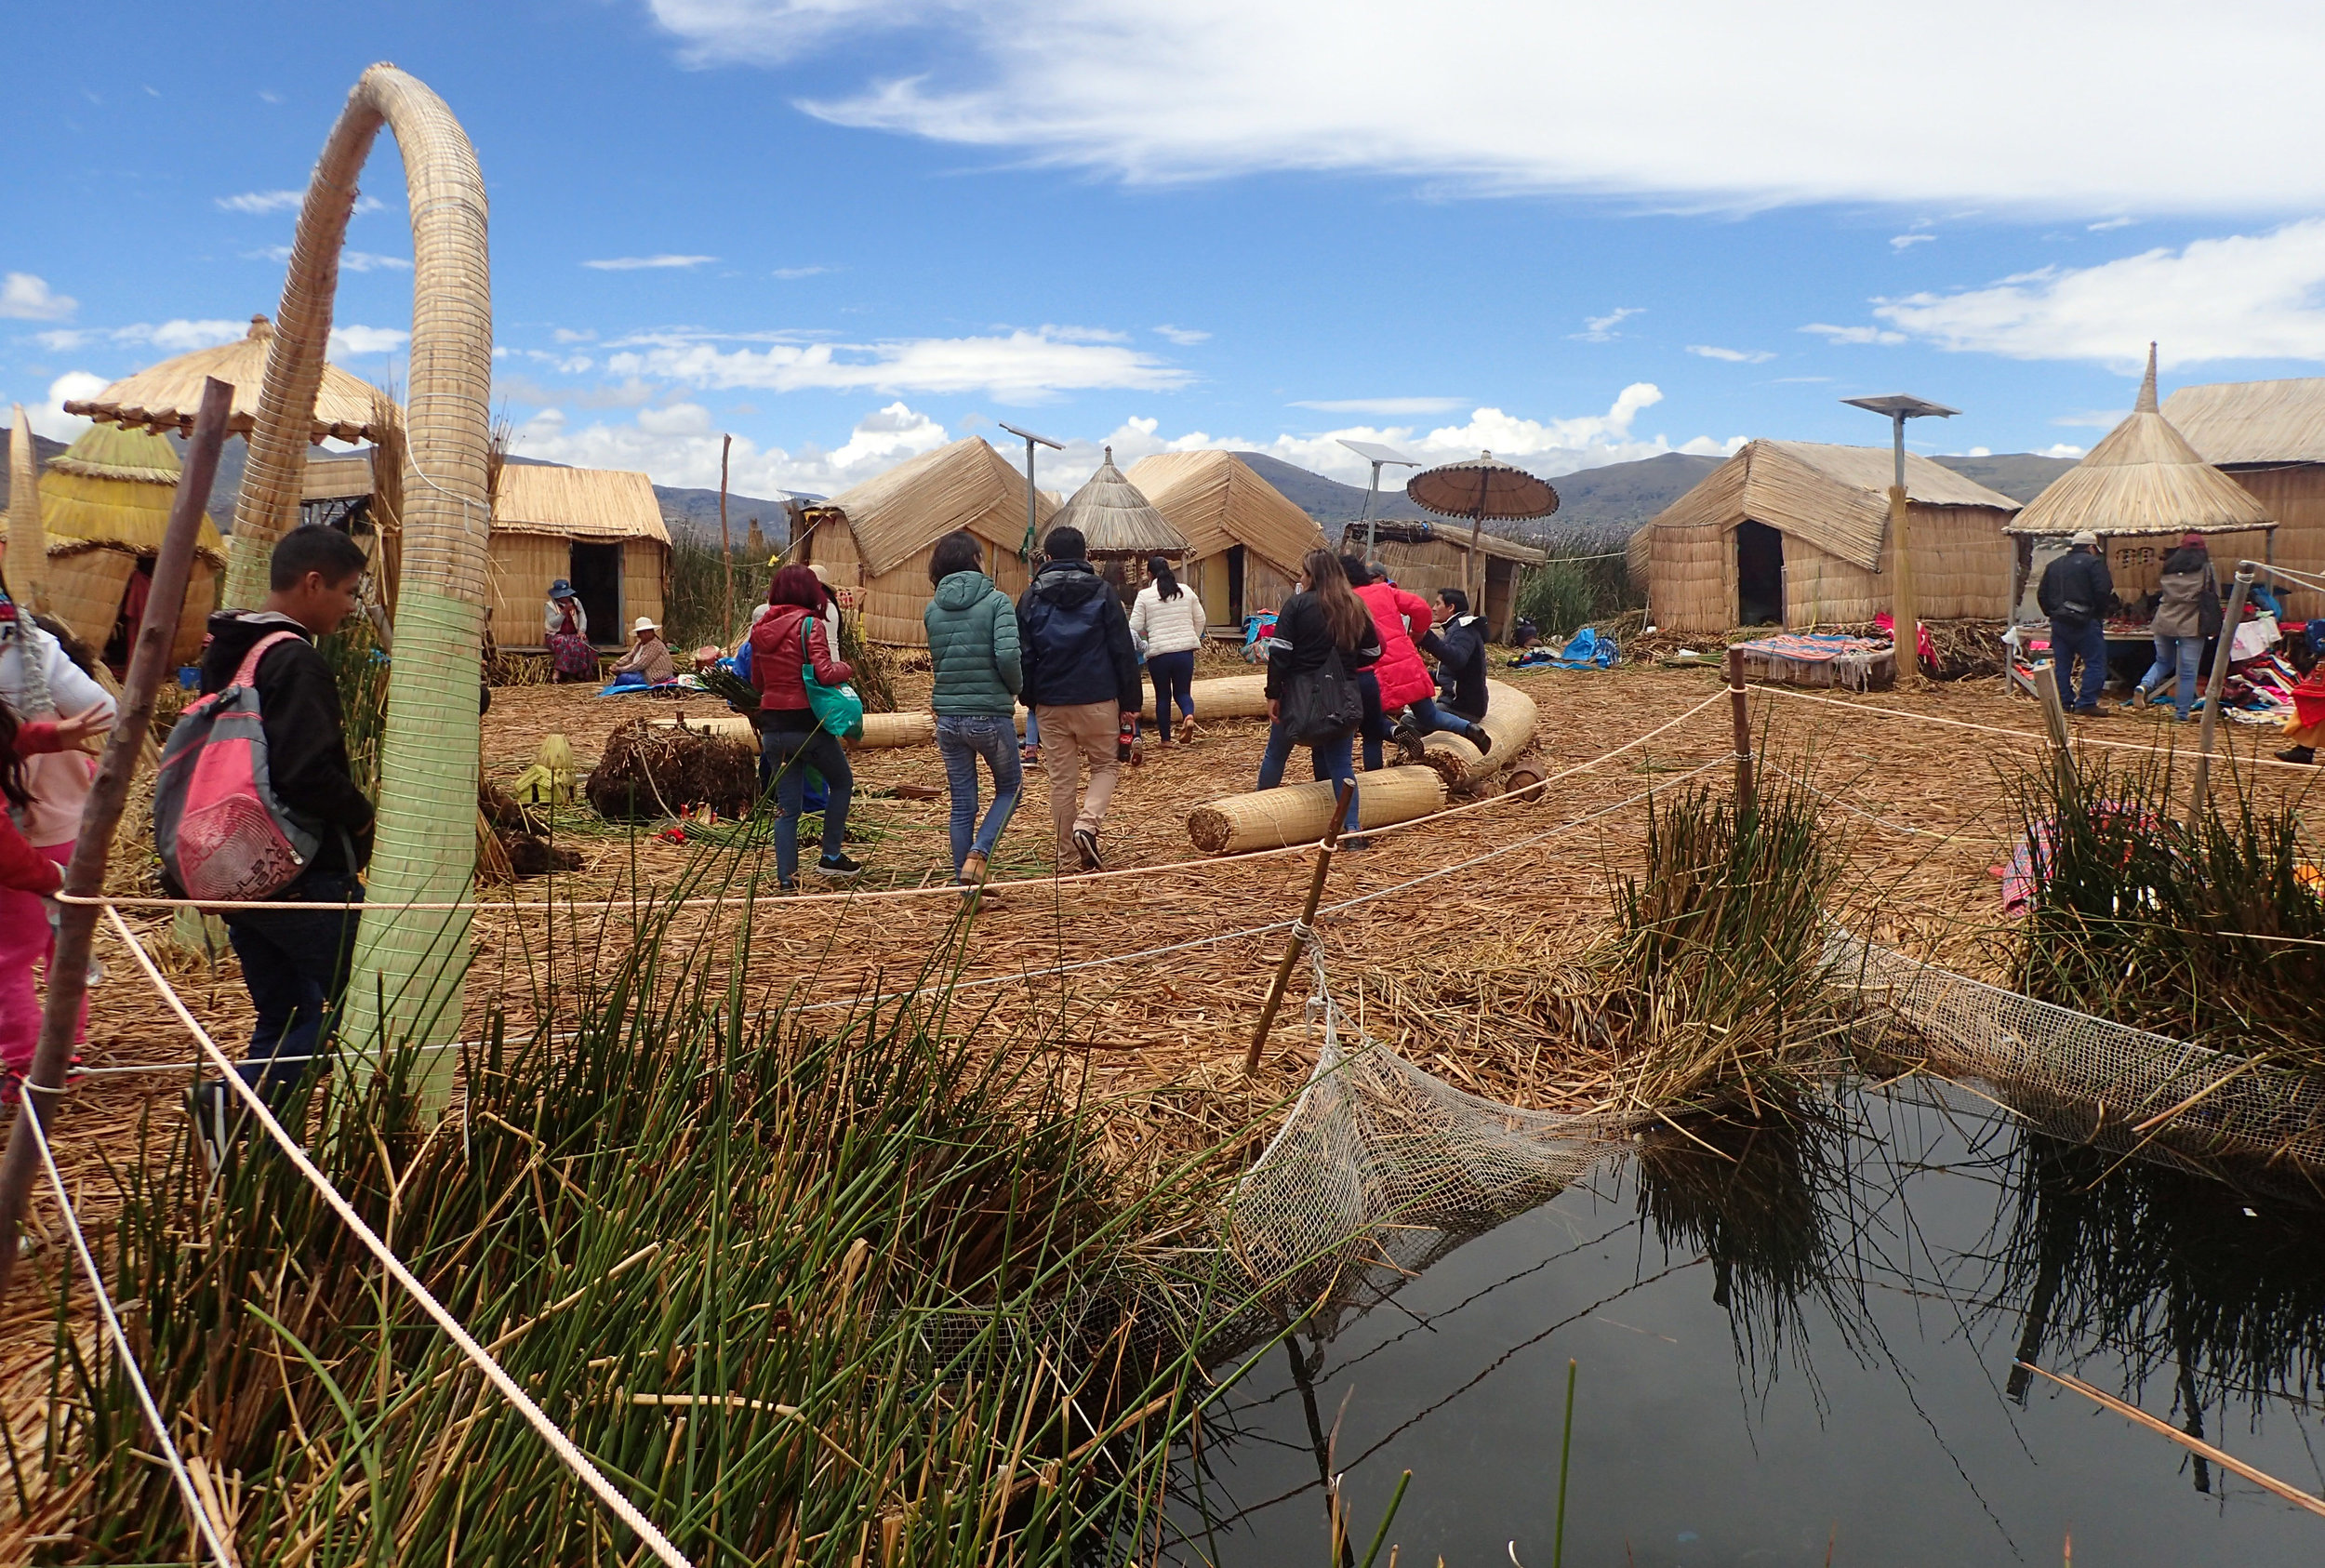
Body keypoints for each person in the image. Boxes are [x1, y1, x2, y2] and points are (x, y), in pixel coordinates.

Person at [183, 525, 375, 1142]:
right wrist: (364, 815)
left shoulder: (235, 651)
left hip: (233, 866)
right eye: (348, 591)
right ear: (313, 582)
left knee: (284, 1015)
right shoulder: (294, 659)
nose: (351, 606)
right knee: (370, 1001)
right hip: (296, 869)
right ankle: (233, 1104)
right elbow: (305, 773)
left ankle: (266, 1159)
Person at [1017, 525, 1142, 871]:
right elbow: (1122, 650)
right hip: (1099, 697)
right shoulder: (1104, 593)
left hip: (1052, 701)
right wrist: (1132, 700)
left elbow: (1023, 654)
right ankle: (1087, 825)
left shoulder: (1031, 597)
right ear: (1086, 556)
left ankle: (1067, 859)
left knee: (1061, 781)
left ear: (1048, 558)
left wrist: (1030, 698)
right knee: (1104, 766)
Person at [748, 564, 863, 887]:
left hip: (773, 729)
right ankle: (830, 857)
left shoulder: (760, 631)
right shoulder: (809, 624)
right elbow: (824, 673)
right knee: (841, 782)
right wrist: (846, 668)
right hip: (807, 726)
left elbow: (758, 681)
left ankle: (787, 880)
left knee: (787, 808)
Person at [1259, 549, 1382, 844]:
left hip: (1298, 695)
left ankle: (1260, 817)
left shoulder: (1297, 605)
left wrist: (1273, 693)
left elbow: (1280, 653)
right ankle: (1352, 830)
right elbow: (1374, 651)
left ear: (1312, 576)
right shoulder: (1354, 605)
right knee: (1341, 764)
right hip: (1342, 695)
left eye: (1303, 573)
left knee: (1276, 753)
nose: (1300, 578)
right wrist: (1344, 664)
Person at [923, 531, 1023, 892]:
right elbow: (1009, 656)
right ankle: (979, 856)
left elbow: (940, 662)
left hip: (947, 718)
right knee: (1010, 788)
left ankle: (966, 887)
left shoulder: (932, 609)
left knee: (963, 803)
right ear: (975, 560)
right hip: (989, 715)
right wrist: (1015, 689)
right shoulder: (997, 602)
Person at [1343, 555, 1490, 764]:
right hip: (1407, 663)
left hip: (1378, 671)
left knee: (1372, 731)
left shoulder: (1346, 601)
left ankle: (1374, 778)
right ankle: (1468, 729)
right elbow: (1420, 608)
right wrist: (1417, 634)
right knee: (1429, 715)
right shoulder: (1385, 590)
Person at [0, 697, 68, 1102]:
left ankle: (34, 1062)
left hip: (34, 867)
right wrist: (54, 877)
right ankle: (43, 1057)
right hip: (37, 865)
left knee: (11, 963)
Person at [2131, 533, 2220, 722]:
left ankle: (2144, 685)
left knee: (2163, 661)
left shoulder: (2168, 567)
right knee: (2188, 671)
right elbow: (2214, 595)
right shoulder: (2207, 569)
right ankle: (2181, 714)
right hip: (2190, 623)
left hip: (2163, 620)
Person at [2037, 531, 2115, 715]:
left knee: (2063, 664)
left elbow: (2042, 594)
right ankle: (2086, 702)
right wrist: (2098, 613)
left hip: (2059, 622)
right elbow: (2104, 591)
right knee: (2095, 662)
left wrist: (2053, 613)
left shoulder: (2054, 565)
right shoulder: (2095, 564)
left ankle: (2064, 702)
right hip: (2086, 622)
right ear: (2091, 547)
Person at [1130, 554, 1203, 746]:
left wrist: (1144, 644)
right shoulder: (1186, 591)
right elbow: (1201, 618)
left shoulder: (1145, 596)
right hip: (1184, 652)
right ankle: (1188, 716)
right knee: (1183, 693)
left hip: (1159, 654)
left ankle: (1166, 740)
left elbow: (1134, 626)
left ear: (1149, 574)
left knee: (1163, 696)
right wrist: (1191, 636)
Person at [1432, 587, 1493, 726]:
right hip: (1461, 703)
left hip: (1463, 707)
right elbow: (1450, 672)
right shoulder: (1457, 628)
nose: (1433, 608)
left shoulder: (1463, 630)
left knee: (1409, 720)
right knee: (1419, 706)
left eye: (1437, 604)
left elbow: (1456, 660)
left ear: (1451, 607)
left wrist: (1426, 639)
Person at [544, 578, 596, 683]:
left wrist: (581, 631)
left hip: (573, 634)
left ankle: (581, 672)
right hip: (555, 635)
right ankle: (558, 672)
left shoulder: (576, 602)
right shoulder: (549, 606)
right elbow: (554, 623)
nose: (565, 598)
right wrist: (564, 612)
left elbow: (582, 615)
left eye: (566, 595)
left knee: (582, 643)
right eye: (562, 596)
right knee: (564, 643)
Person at [609, 615, 677, 684]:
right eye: (643, 632)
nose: (646, 633)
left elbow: (641, 664)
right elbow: (630, 656)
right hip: (642, 673)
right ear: (638, 634)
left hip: (656, 676)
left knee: (623, 678)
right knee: (622, 677)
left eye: (649, 631)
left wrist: (620, 670)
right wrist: (617, 664)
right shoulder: (639, 644)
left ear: (653, 632)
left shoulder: (655, 645)